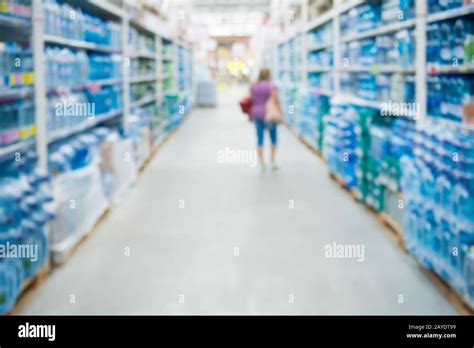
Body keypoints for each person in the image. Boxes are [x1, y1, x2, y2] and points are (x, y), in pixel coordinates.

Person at [250, 68, 281, 171]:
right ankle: (272, 161)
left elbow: (250, 99)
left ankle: (262, 164)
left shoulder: (253, 85)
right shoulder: (271, 86)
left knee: (260, 138)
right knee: (273, 138)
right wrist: (285, 112)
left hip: (257, 113)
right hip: (270, 114)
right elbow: (276, 100)